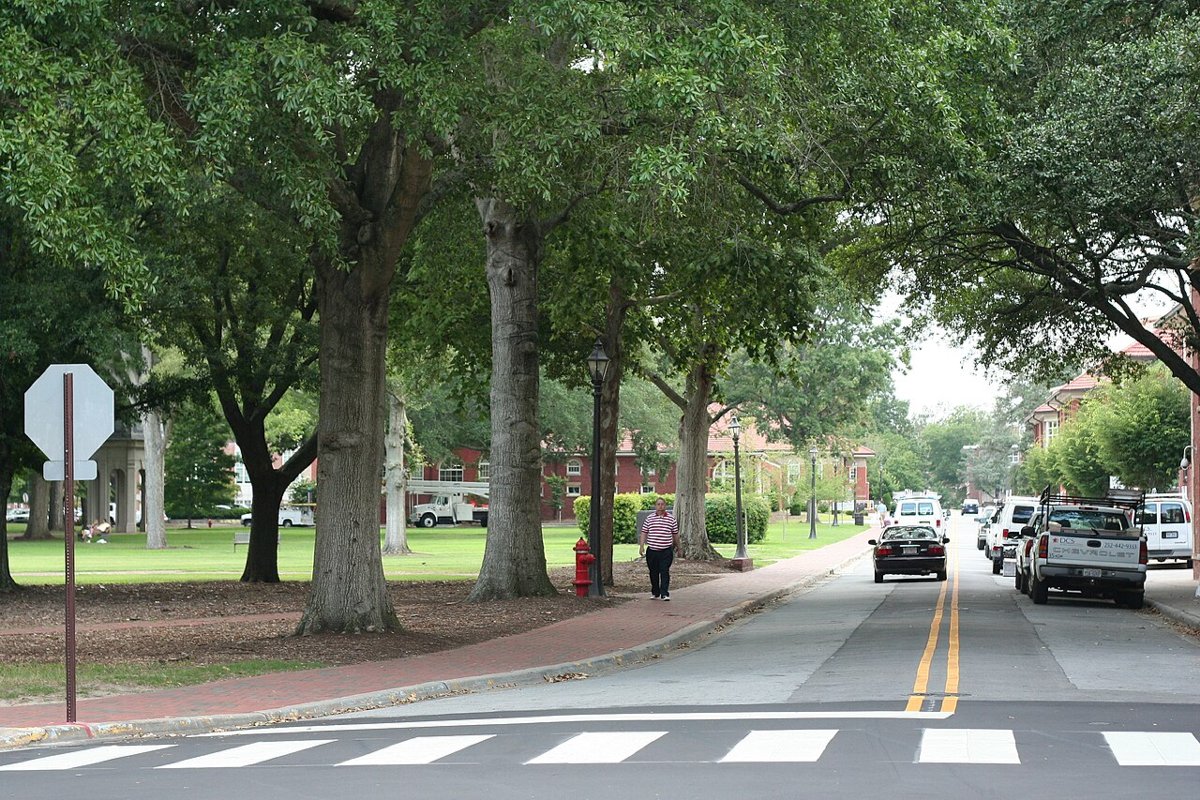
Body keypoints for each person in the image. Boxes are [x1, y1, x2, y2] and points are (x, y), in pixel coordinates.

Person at [639, 498, 680, 601]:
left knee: (664, 571)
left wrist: (679, 547)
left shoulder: (671, 519)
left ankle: (664, 593)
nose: (660, 506)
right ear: (655, 506)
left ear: (665, 506)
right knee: (653, 572)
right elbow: (644, 532)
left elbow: (675, 534)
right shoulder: (649, 518)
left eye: (662, 504)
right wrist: (641, 546)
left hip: (666, 550)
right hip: (652, 550)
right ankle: (655, 592)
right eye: (658, 504)